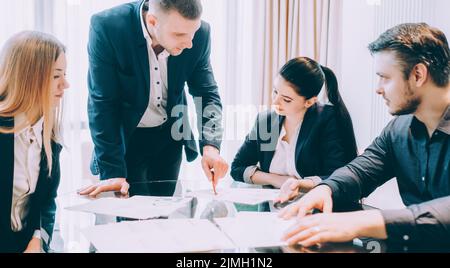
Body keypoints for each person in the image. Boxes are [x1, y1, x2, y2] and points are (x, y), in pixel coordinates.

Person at [280, 23, 450, 250]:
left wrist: (364, 222)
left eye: (385, 78)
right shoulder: (398, 129)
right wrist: (326, 189)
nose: (378, 89)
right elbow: (361, 170)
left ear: (418, 74)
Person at [80, 0, 228, 197]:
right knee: (132, 220)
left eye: (193, 32)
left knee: (162, 214)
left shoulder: (198, 35)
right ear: (152, 21)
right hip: (128, 140)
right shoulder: (108, 28)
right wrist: (113, 172)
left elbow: (207, 94)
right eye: (180, 35)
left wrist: (211, 147)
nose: (189, 43)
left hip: (169, 137)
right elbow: (102, 103)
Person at [231, 57, 358, 194]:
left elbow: (339, 176)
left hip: (317, 207)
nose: (275, 102)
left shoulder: (327, 120)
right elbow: (237, 168)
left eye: (286, 99)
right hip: (273, 207)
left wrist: (300, 184)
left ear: (309, 102)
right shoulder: (266, 122)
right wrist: (276, 179)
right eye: (275, 92)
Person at [0, 31, 69, 252]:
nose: (65, 84)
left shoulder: (48, 135)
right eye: (57, 75)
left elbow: (47, 201)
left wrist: (37, 240)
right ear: (29, 77)